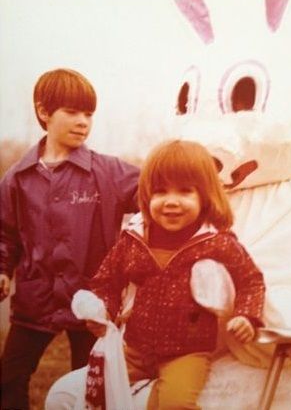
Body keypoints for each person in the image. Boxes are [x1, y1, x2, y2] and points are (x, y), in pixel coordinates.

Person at [47, 139, 265, 410]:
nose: (171, 202)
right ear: (147, 196)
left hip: (186, 353)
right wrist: (102, 310)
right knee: (96, 394)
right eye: (161, 192)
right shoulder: (135, 238)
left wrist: (246, 314)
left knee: (174, 403)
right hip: (135, 348)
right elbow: (106, 281)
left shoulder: (215, 241)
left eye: (185, 192)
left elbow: (251, 280)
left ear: (206, 196)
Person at [0, 68, 139, 410]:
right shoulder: (16, 179)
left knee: (89, 390)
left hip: (92, 306)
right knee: (9, 381)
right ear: (44, 112)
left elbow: (158, 191)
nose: (83, 122)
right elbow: (5, 234)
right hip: (34, 304)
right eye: (72, 112)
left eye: (88, 114)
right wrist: (3, 268)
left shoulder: (109, 172)